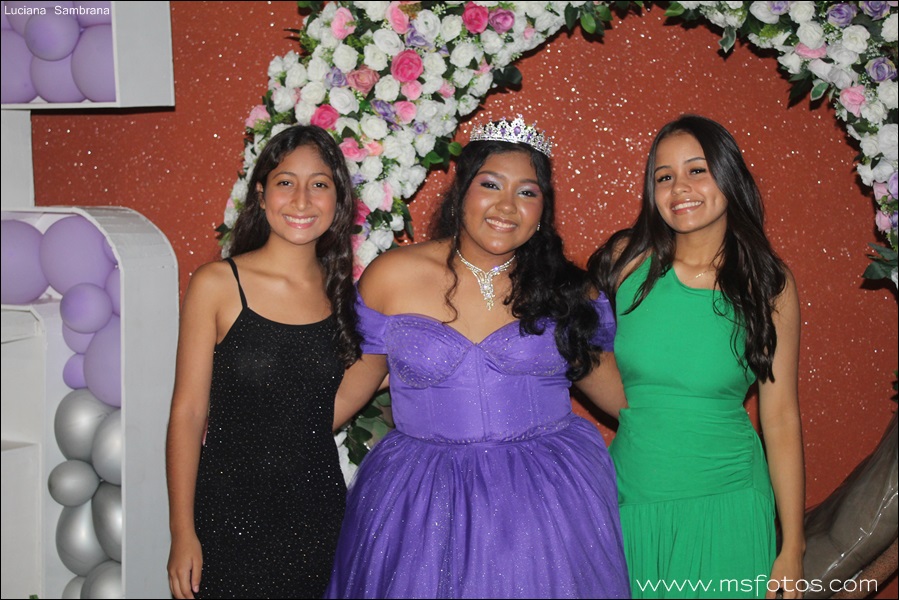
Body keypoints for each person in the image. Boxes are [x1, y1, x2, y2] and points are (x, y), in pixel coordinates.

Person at [324, 116, 631, 599]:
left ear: (542, 209)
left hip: (546, 506)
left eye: (527, 192)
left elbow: (627, 401)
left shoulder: (567, 291)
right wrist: (258, 443)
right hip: (420, 504)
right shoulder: (392, 276)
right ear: (461, 191)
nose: (507, 206)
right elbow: (346, 390)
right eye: (490, 185)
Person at [588, 114, 806, 599]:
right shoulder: (626, 261)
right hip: (631, 500)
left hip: (729, 504)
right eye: (664, 176)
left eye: (697, 170)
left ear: (728, 175)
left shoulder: (768, 284)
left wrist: (793, 545)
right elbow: (560, 336)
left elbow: (780, 417)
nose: (679, 188)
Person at [165, 124, 361, 599]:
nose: (301, 199)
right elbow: (188, 414)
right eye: (285, 182)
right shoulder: (216, 284)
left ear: (338, 200)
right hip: (227, 517)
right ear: (261, 193)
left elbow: (322, 408)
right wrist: (182, 531)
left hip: (317, 518)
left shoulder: (342, 295)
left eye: (319, 184)